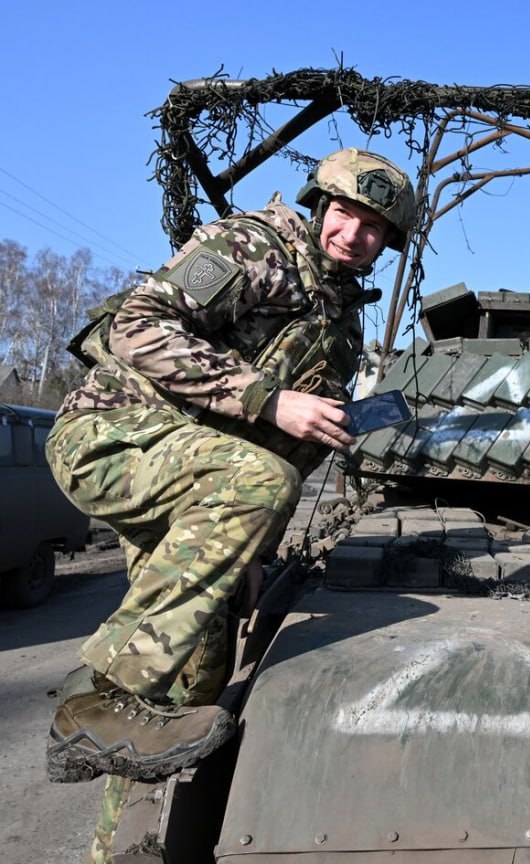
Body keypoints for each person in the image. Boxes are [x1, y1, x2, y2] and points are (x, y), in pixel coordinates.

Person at [43, 148, 414, 859]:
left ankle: (125, 844)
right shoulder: (254, 246)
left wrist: (255, 548)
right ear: (319, 206)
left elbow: (296, 448)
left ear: (387, 243)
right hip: (113, 434)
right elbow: (137, 325)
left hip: (203, 479)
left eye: (373, 228)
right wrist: (266, 399)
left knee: (192, 671)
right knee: (255, 490)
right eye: (344, 213)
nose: (353, 234)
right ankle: (96, 696)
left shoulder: (341, 327)